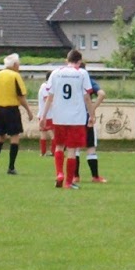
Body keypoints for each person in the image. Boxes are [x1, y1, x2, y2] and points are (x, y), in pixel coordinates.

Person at [44, 49, 96, 188]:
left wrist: (43, 116)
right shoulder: (82, 73)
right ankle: (68, 182)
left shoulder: (55, 73)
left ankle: (59, 173)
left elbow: (50, 96)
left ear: (67, 60)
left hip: (59, 116)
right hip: (76, 117)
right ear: (79, 61)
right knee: (72, 149)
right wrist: (92, 115)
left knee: (59, 146)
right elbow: (87, 97)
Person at [0, 53, 35, 176]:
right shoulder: (15, 76)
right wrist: (28, 110)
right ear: (14, 64)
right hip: (11, 109)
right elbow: (21, 96)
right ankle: (11, 167)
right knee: (14, 137)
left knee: (0, 137)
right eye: (18, 64)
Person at [65, 52, 108, 184]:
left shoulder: (65, 77)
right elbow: (101, 94)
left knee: (74, 148)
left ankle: (75, 176)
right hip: (84, 116)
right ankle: (95, 176)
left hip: (71, 117)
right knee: (90, 147)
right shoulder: (86, 77)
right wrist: (92, 111)